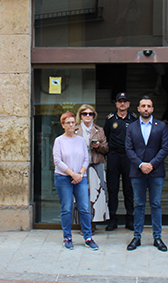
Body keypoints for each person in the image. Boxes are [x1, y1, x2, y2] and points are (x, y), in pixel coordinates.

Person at [124, 95, 168, 252]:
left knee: (156, 204)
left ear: (152, 109)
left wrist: (152, 164)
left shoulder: (161, 126)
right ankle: (137, 236)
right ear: (138, 109)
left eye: (148, 106)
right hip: (137, 172)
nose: (146, 108)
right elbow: (128, 149)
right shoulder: (131, 127)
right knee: (139, 204)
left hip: (156, 171)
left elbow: (165, 148)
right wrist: (141, 164)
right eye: (143, 106)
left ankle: (157, 237)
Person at [53, 111, 100, 250]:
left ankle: (88, 237)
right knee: (67, 208)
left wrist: (80, 173)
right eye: (68, 123)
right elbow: (57, 160)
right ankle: (67, 237)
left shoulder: (80, 140)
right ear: (63, 125)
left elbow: (87, 158)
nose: (71, 125)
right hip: (63, 178)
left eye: (73, 122)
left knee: (85, 208)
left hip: (80, 178)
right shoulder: (59, 141)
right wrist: (72, 174)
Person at [103, 92, 136, 231]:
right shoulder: (111, 119)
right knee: (113, 189)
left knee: (129, 190)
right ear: (116, 103)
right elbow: (105, 137)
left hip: (128, 158)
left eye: (125, 101)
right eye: (119, 101)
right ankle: (112, 220)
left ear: (128, 104)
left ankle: (130, 219)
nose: (122, 104)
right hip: (114, 156)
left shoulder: (134, 119)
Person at [74, 104, 109, 225]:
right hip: (79, 166)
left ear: (94, 116)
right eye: (85, 114)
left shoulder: (99, 130)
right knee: (80, 193)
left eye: (90, 114)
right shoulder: (75, 130)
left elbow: (106, 149)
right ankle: (81, 222)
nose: (88, 116)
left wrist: (98, 146)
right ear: (80, 116)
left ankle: (92, 222)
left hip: (96, 164)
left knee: (96, 194)